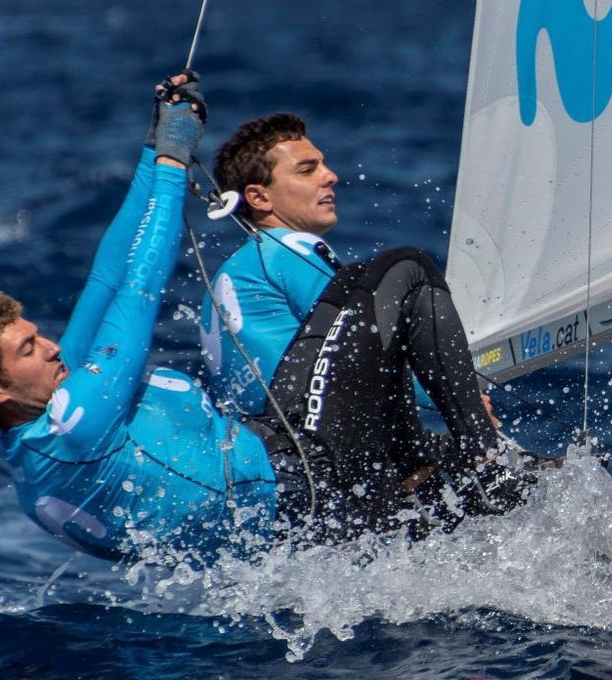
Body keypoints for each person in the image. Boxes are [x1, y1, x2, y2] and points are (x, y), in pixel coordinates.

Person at [0, 75, 528, 566]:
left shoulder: (37, 455)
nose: (54, 348)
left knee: (485, 483)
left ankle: (564, 496)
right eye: (29, 350)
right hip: (301, 479)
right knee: (406, 269)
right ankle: (485, 458)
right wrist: (171, 162)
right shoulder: (77, 422)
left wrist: (153, 151)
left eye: (38, 336)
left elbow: (106, 277)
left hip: (290, 520)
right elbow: (137, 291)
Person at [199, 114, 524, 518]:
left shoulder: (235, 271)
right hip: (314, 450)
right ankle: (489, 462)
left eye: (324, 164)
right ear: (259, 198)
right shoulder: (283, 246)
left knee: (458, 471)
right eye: (307, 169)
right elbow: (366, 341)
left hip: (277, 477)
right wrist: (466, 401)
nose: (330, 176)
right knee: (408, 268)